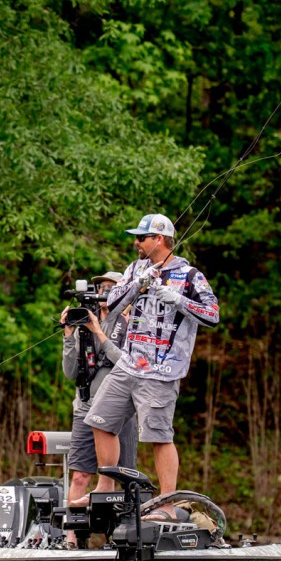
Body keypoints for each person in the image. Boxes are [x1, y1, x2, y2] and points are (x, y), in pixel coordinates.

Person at [85, 214, 220, 522]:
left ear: (159, 239)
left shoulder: (190, 275)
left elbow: (213, 315)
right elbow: (111, 305)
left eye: (141, 237)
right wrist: (137, 284)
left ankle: (167, 505)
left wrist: (178, 299)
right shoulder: (136, 268)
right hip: (128, 364)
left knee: (159, 436)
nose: (136, 242)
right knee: (99, 419)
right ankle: (106, 487)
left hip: (162, 372)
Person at [60, 271, 137, 545]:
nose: (103, 292)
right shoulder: (84, 323)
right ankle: (71, 537)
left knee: (122, 476)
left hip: (119, 410)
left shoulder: (130, 324)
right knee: (80, 475)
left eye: (110, 287)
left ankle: (120, 537)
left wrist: (100, 333)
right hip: (85, 408)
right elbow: (70, 373)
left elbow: (126, 363)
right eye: (100, 287)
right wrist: (69, 335)